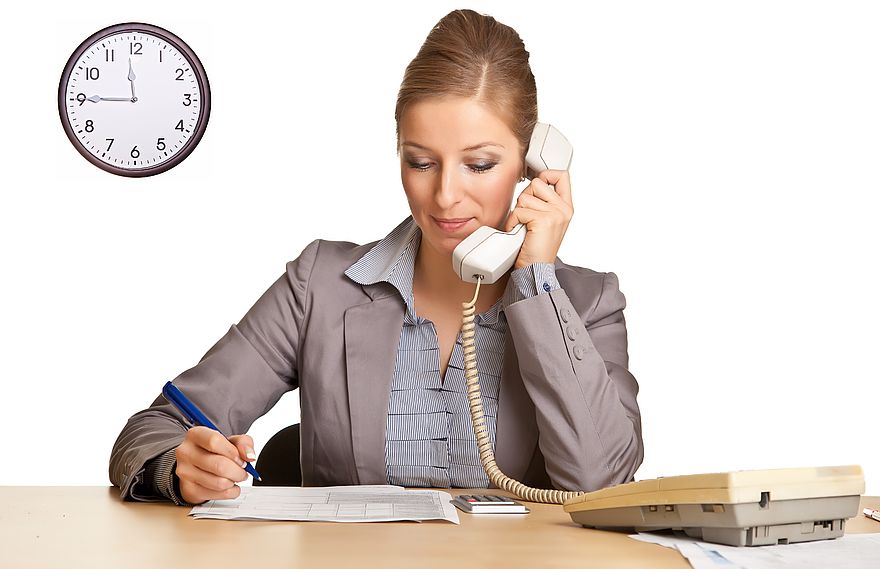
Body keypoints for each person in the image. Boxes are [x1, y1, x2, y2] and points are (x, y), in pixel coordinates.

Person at [109, 9, 644, 506]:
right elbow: (156, 425)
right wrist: (176, 468)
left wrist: (535, 282)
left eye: (479, 165)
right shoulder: (320, 285)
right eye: (421, 162)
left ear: (533, 165)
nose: (445, 196)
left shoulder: (586, 303)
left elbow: (604, 487)